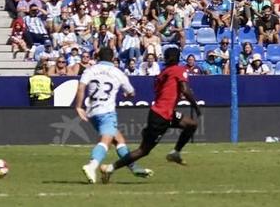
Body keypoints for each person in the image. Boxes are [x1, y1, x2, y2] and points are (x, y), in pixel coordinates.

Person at [112, 46, 200, 171]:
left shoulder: (163, 73)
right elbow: (185, 90)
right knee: (143, 151)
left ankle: (175, 153)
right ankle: (110, 167)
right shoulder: (178, 70)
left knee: (191, 124)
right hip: (162, 116)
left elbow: (161, 90)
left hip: (163, 113)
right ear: (177, 57)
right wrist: (195, 106)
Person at [76, 46, 141, 184]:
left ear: (98, 57)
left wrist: (78, 106)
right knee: (106, 140)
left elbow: (81, 86)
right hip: (107, 112)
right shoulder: (118, 72)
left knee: (118, 140)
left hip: (92, 112)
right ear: (113, 58)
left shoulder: (90, 70)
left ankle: (134, 167)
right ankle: (92, 165)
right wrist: (127, 95)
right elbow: (132, 92)